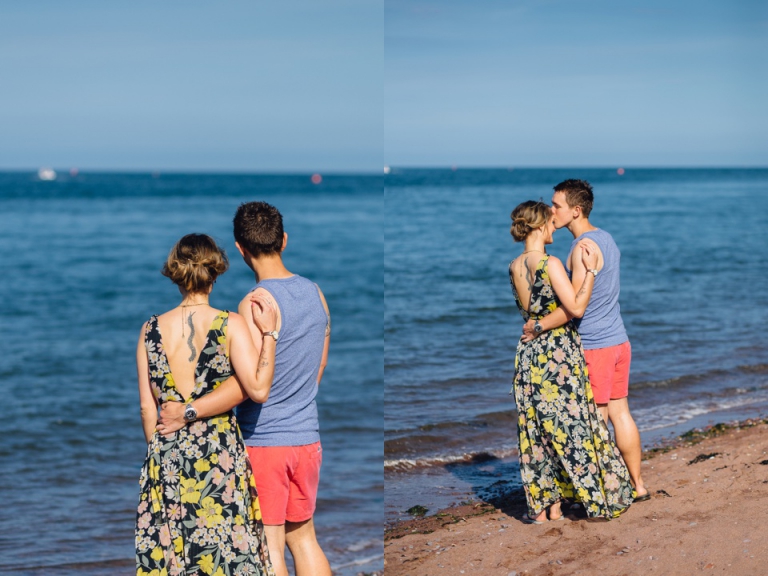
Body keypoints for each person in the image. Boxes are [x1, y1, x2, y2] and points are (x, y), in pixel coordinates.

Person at [156, 202, 332, 576]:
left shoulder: (254, 303)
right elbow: (320, 365)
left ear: (240, 248)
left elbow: (249, 385)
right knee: (304, 538)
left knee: (269, 545)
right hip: (308, 438)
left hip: (266, 440)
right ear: (284, 240)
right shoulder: (316, 293)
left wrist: (190, 411)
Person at [135, 233, 276, 576]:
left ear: (177, 275)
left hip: (166, 456)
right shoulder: (230, 324)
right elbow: (257, 388)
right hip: (218, 456)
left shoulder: (149, 329)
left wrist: (160, 453)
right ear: (214, 275)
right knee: (225, 553)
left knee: (174, 557)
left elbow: (146, 408)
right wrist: (270, 334)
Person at [522, 179, 649, 502]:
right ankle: (638, 485)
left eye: (558, 206)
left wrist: (538, 326)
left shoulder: (581, 248)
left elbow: (574, 307)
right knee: (621, 413)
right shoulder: (606, 238)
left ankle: (606, 491)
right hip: (619, 340)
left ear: (576, 211)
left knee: (597, 420)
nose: (552, 211)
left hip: (595, 344)